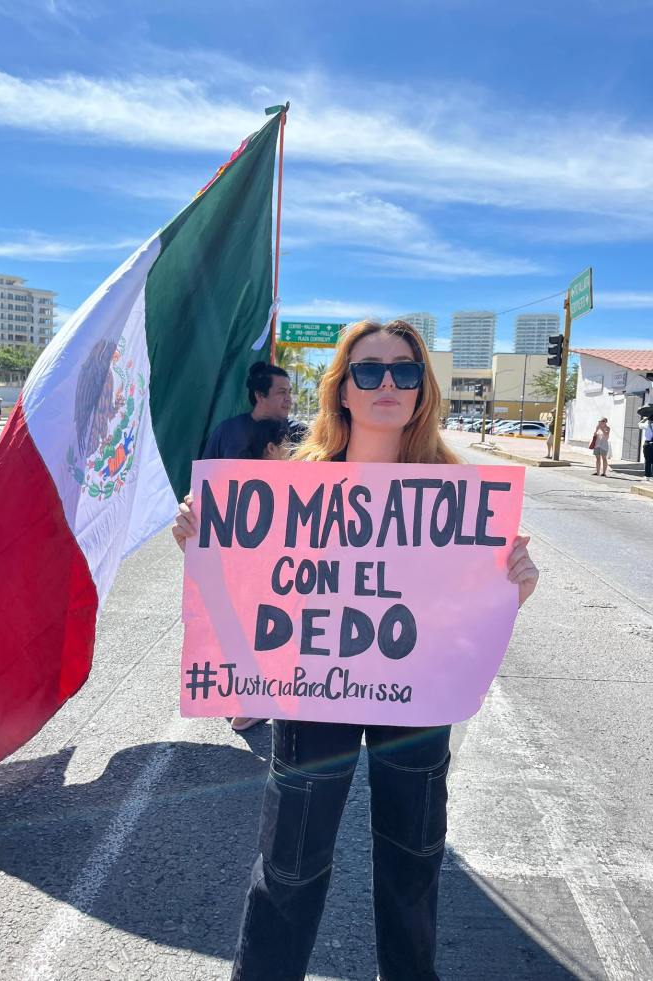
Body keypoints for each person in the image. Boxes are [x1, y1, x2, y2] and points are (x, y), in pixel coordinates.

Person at [173, 319, 539, 981]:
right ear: (343, 389)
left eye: (405, 369)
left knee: (413, 861)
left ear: (422, 388)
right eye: (369, 370)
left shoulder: (455, 491)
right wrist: (203, 542)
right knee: (290, 865)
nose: (387, 383)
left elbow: (467, 612)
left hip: (418, 694)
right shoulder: (295, 485)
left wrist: (514, 586)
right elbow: (251, 590)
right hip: (316, 688)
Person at [228, 417, 291, 733]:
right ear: (271, 448)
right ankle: (256, 697)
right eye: (290, 446)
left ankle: (255, 697)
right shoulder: (258, 487)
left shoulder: (243, 483)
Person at [201, 362, 292, 460]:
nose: (289, 399)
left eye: (289, 392)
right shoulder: (227, 431)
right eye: (282, 392)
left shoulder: (297, 433)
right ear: (260, 395)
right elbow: (207, 468)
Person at [640, 414, 653, 481]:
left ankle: (647, 476)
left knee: (647, 460)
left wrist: (644, 419)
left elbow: (639, 424)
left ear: (649, 420)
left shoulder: (646, 425)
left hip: (648, 444)